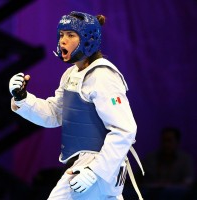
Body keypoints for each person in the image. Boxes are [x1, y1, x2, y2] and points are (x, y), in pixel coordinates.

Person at [9, 11, 143, 200]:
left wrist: (95, 170)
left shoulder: (103, 76)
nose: (63, 40)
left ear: (89, 39)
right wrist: (23, 98)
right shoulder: (71, 74)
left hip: (98, 165)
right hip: (92, 167)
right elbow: (55, 114)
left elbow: (125, 129)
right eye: (62, 34)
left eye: (71, 35)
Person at [140, 127, 195, 199]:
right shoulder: (150, 158)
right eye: (164, 140)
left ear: (177, 142)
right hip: (151, 194)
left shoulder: (185, 160)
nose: (166, 144)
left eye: (169, 141)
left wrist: (167, 185)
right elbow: (138, 179)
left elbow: (188, 182)